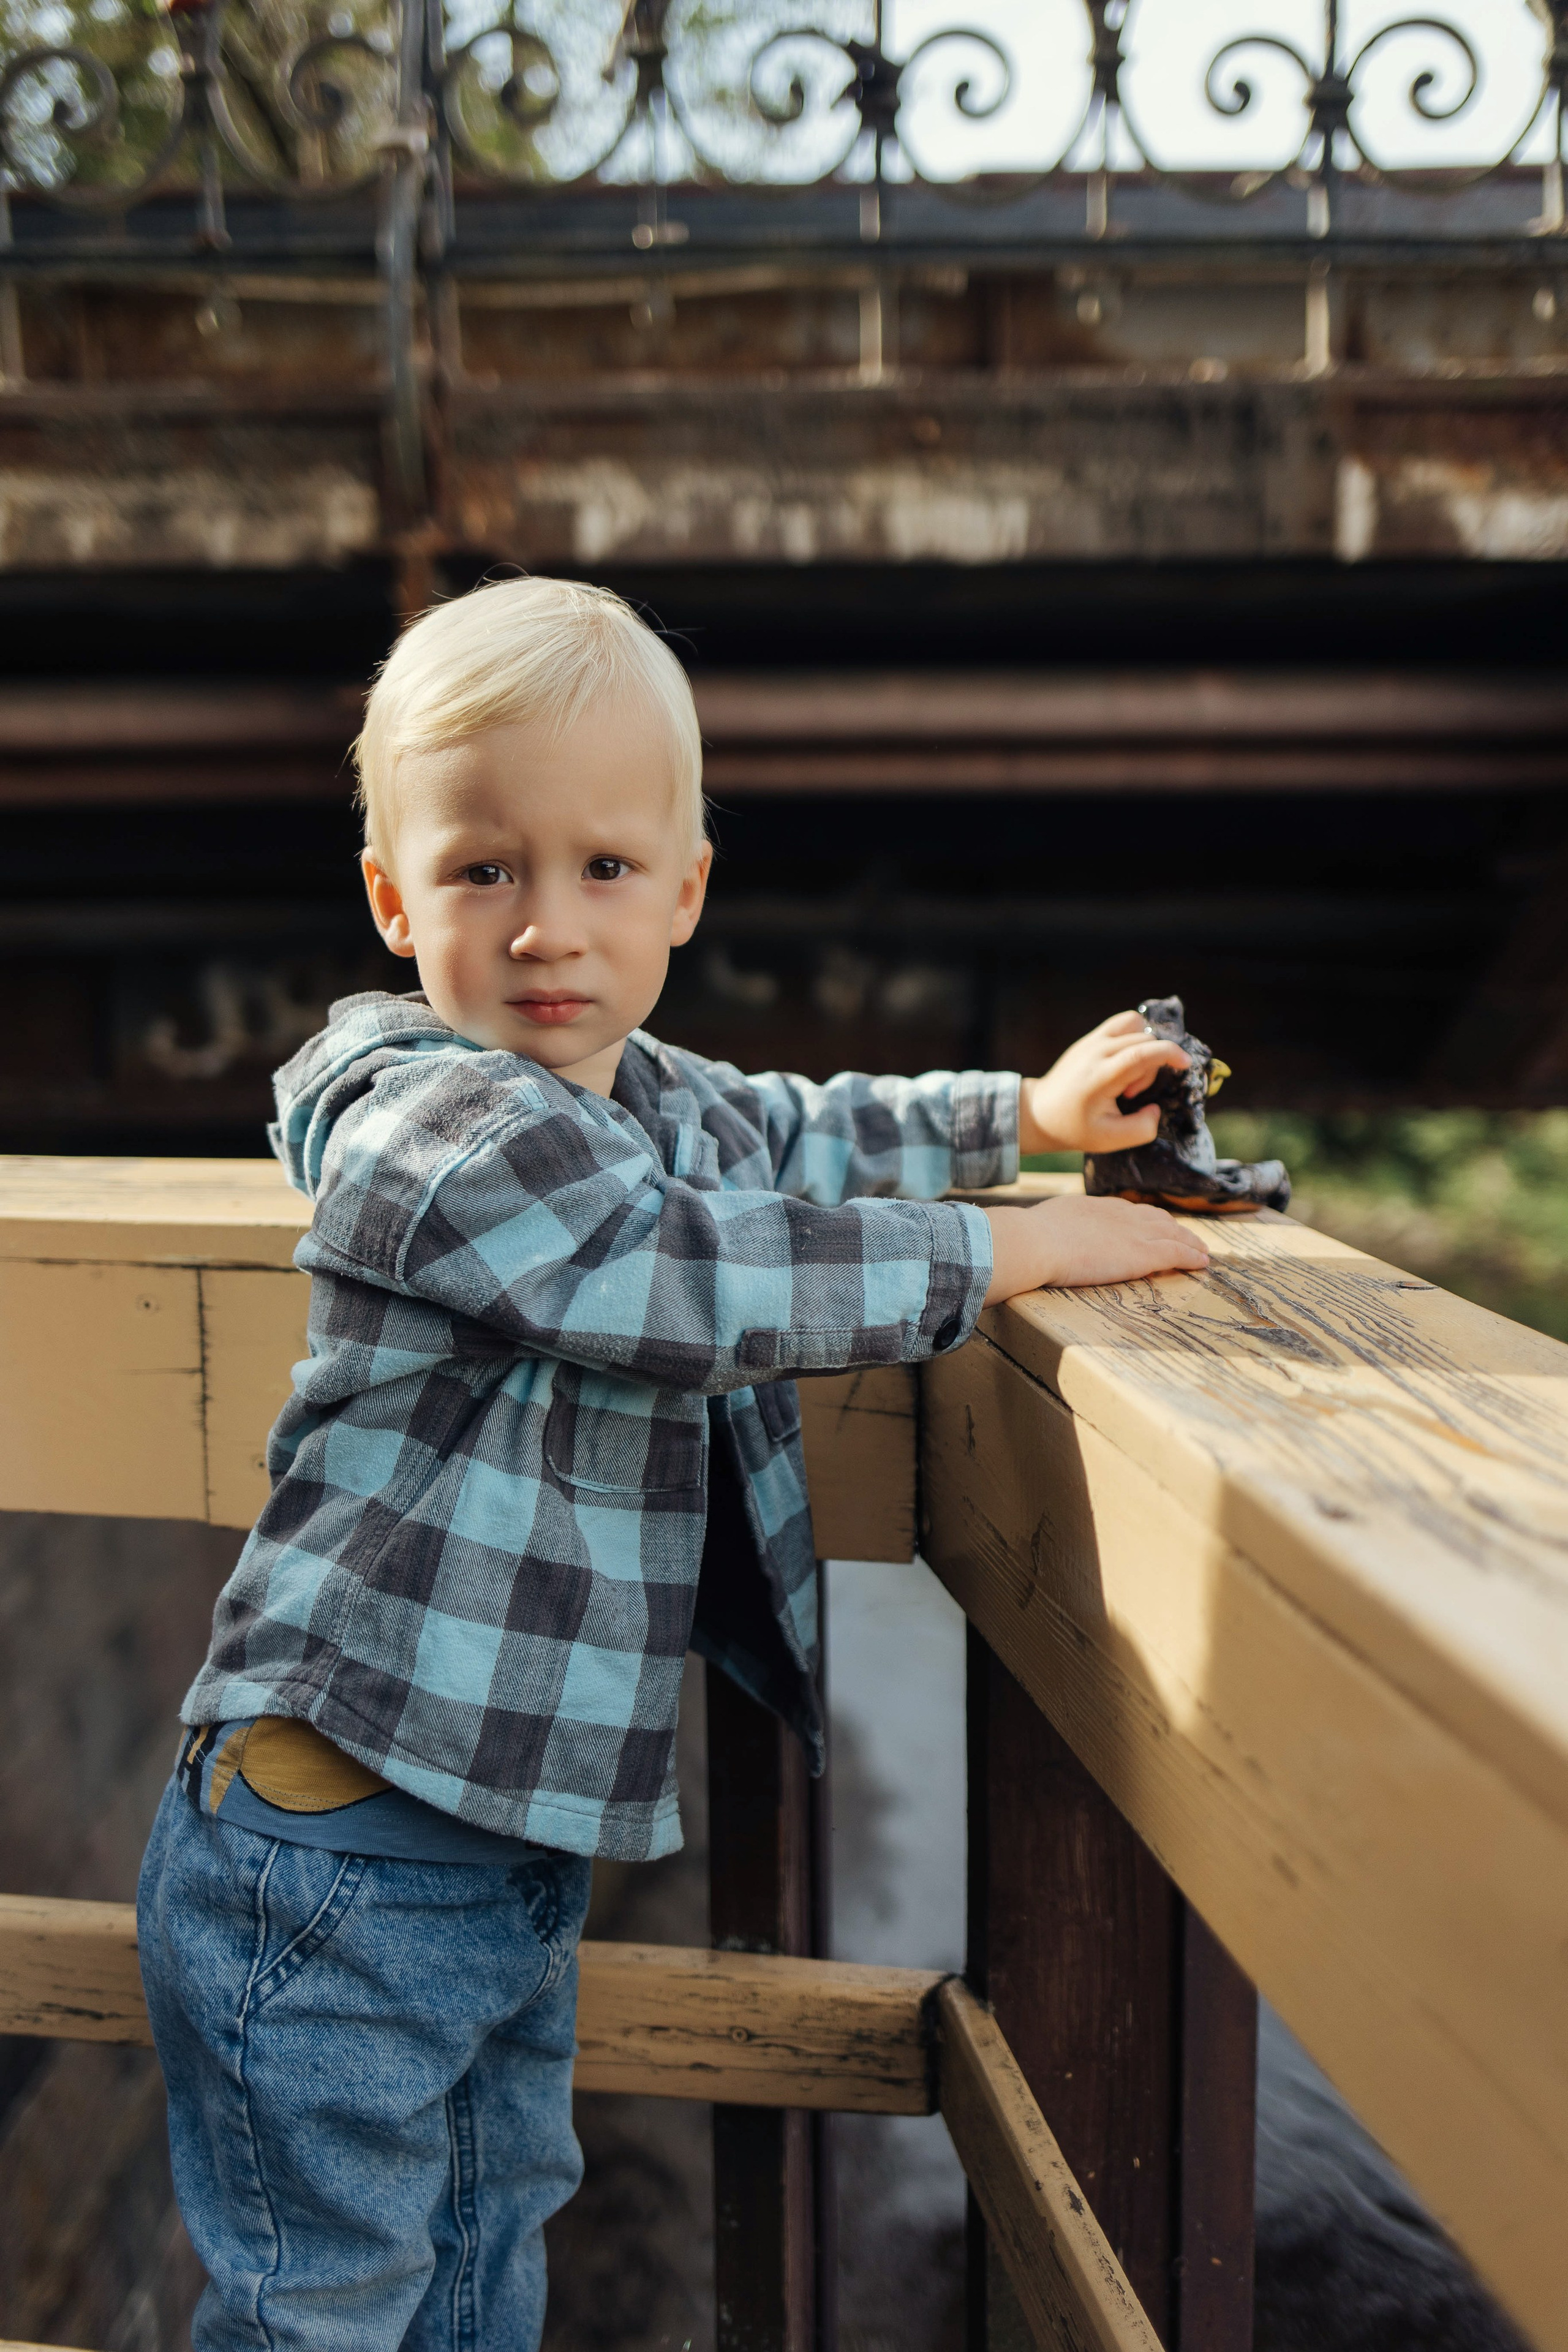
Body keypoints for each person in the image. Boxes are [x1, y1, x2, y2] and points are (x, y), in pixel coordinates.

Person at [137, 576, 1209, 2352]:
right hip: (335, 1847)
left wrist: (1011, 1119)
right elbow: (677, 1273)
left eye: (605, 872)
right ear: (398, 904)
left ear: (685, 892)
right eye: (485, 872)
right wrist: (1003, 1255)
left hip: (497, 1836)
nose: (548, 928)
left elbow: (786, 1130)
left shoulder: (634, 1097)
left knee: (486, 2264)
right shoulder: (430, 1122)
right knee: (318, 2305)